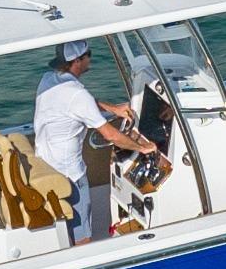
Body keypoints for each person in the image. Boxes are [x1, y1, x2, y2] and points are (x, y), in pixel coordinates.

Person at [33, 39, 156, 243]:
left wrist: (112, 108)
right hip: (69, 175)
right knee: (82, 238)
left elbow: (80, 103)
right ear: (78, 61)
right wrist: (142, 147)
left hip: (46, 163)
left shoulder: (49, 80)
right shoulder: (77, 95)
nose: (90, 58)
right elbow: (111, 135)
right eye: (88, 54)